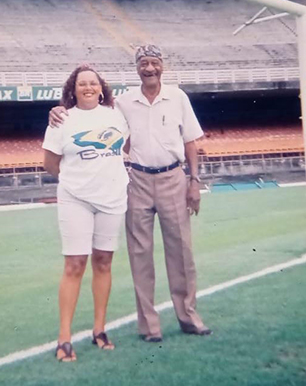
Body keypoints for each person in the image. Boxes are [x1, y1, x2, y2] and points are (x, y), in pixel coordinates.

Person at [50, 45, 211, 343]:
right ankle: (149, 326)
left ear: (163, 65)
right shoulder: (122, 104)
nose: (149, 68)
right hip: (136, 179)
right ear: (137, 68)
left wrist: (193, 180)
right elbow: (91, 119)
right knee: (140, 255)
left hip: (173, 177)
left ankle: (188, 316)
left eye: (154, 63)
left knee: (182, 252)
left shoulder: (178, 97)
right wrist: (58, 110)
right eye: (143, 63)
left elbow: (190, 141)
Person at [43, 65, 130, 362]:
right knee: (75, 264)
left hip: (113, 198)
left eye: (93, 83)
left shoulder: (117, 115)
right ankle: (64, 338)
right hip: (76, 199)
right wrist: (77, 181)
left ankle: (99, 330)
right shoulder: (62, 119)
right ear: (73, 88)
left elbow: (125, 147)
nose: (89, 87)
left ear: (101, 87)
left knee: (104, 262)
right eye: (83, 83)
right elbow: (50, 164)